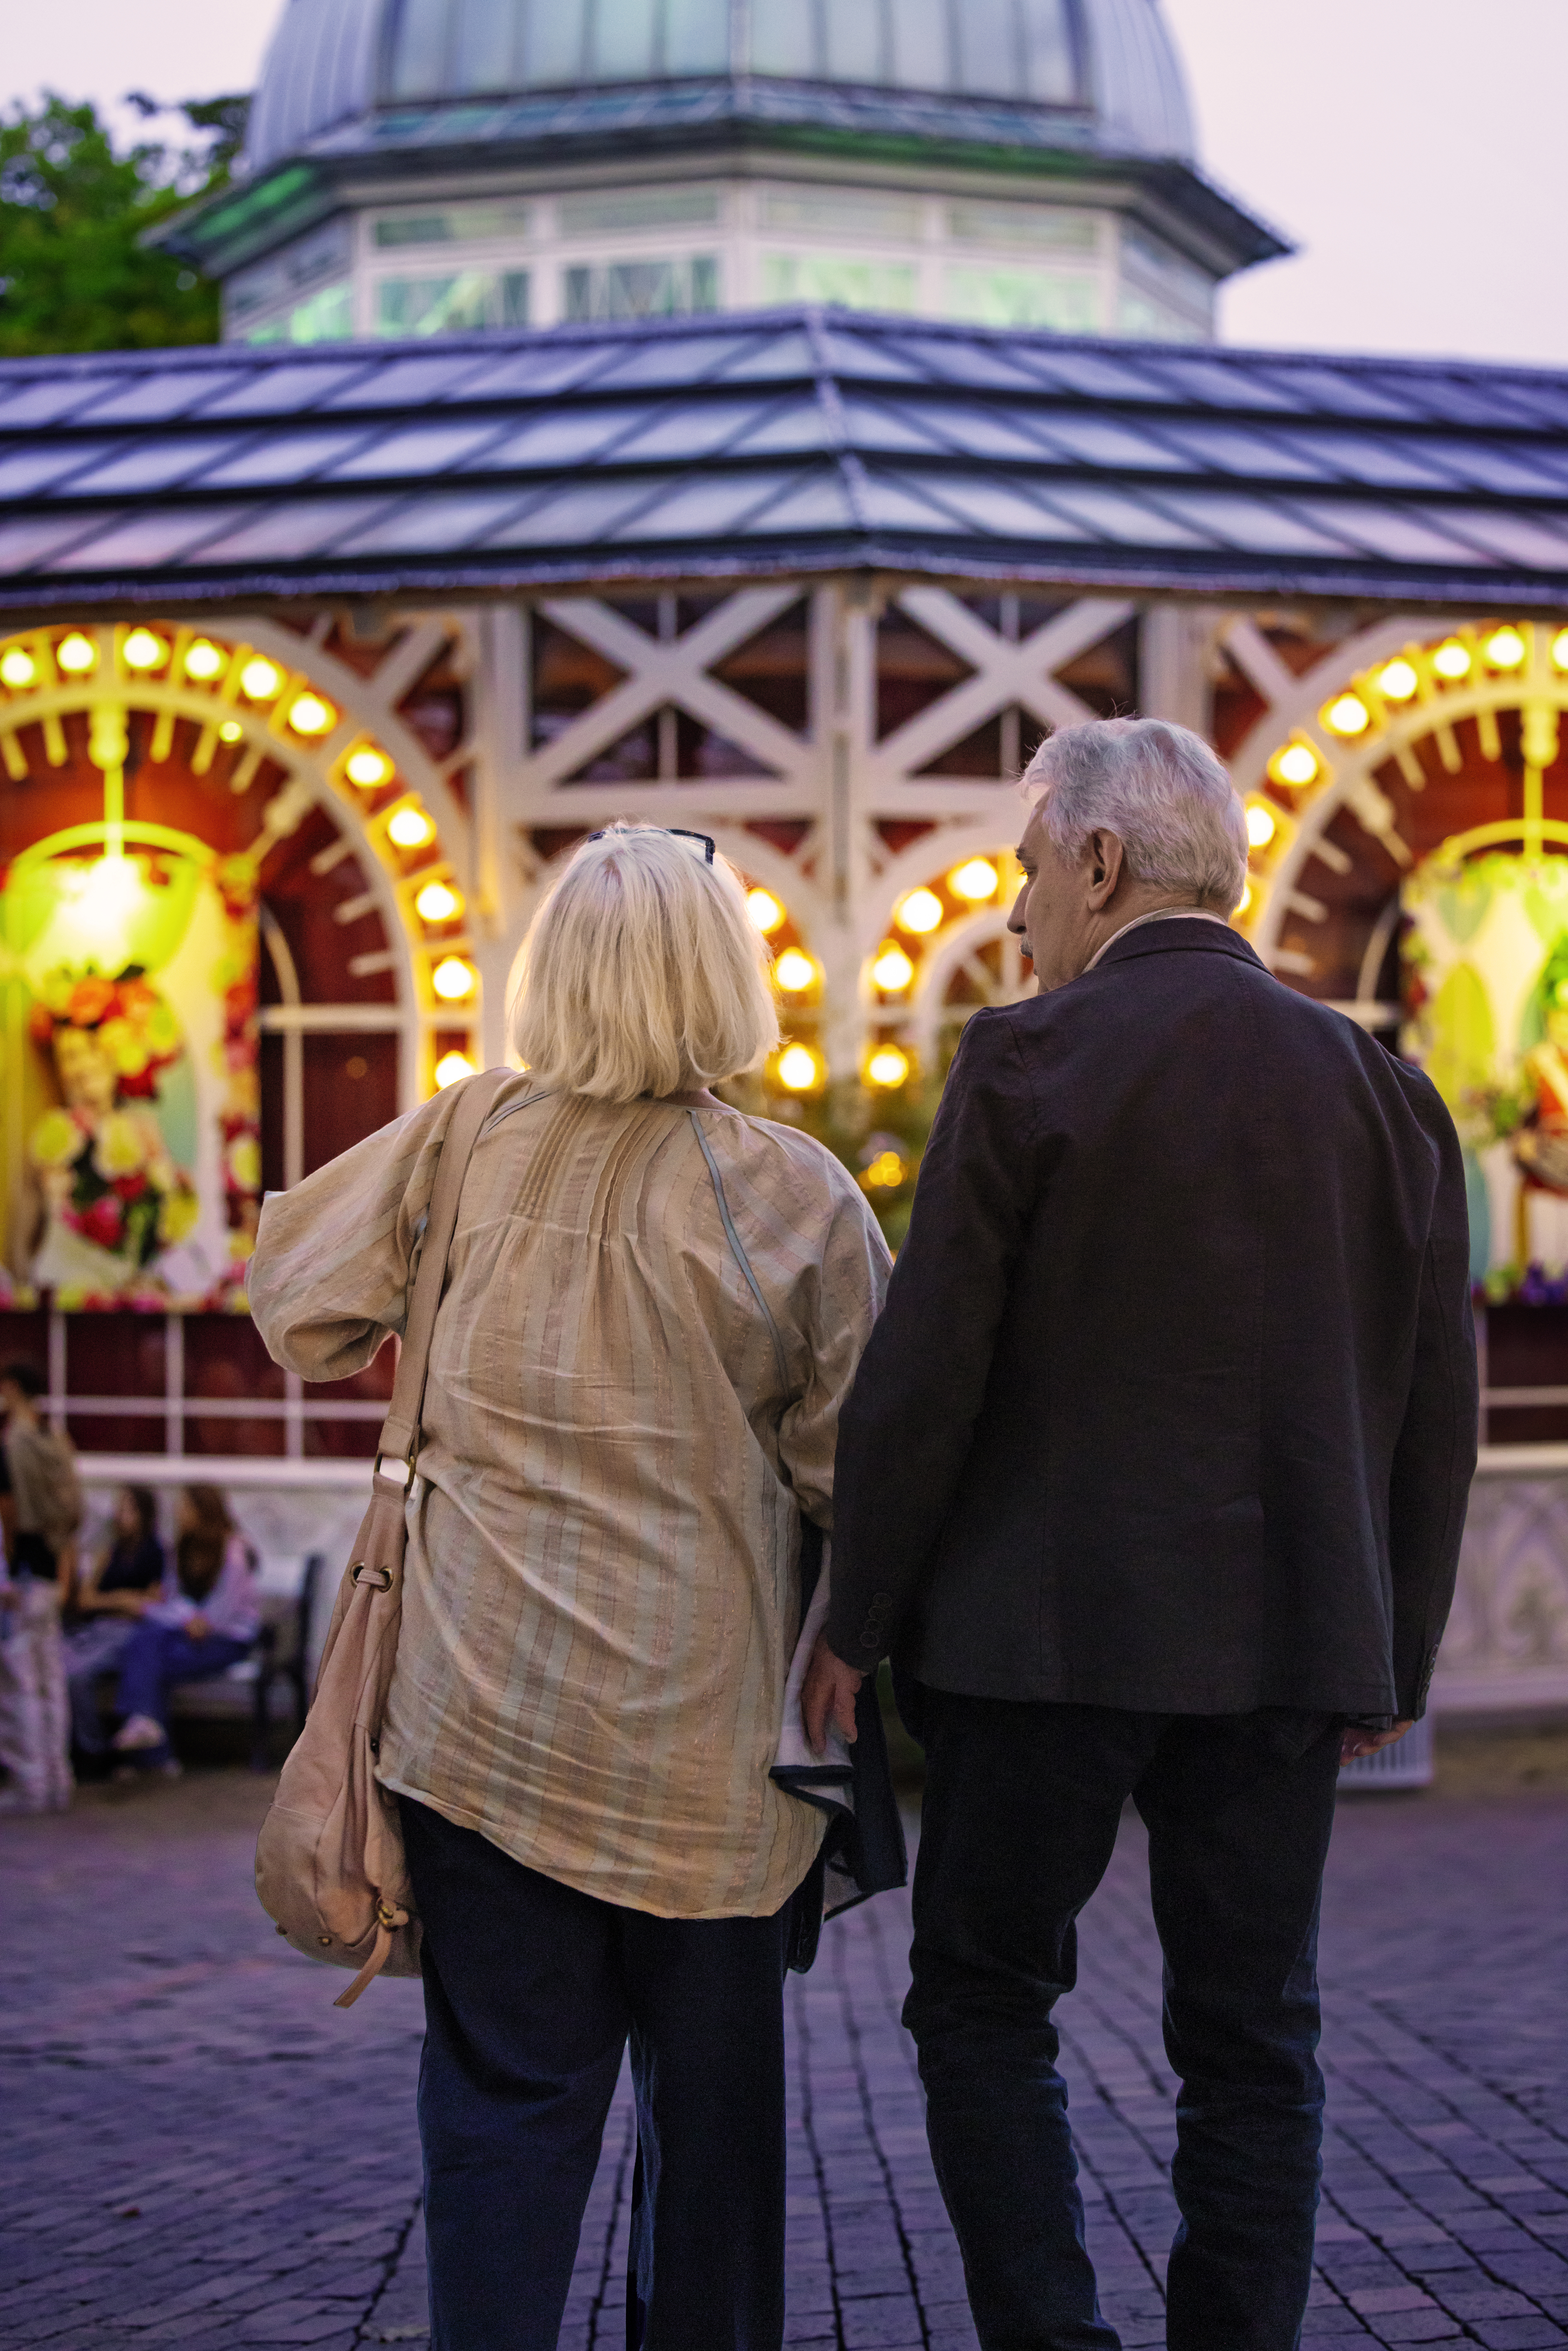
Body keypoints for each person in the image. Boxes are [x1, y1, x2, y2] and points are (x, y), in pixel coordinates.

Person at [804, 718, 1478, 2351]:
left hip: (1038, 1638)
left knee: (982, 1999)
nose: (1024, 913)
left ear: (1101, 862)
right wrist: (1398, 1633)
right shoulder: (1386, 1093)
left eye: (1031, 873)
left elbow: (931, 1366)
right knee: (1256, 2040)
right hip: (1289, 1633)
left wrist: (855, 1609)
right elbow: (1431, 1393)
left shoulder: (1030, 1061)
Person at [248, 822, 892, 2351]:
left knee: (500, 2128)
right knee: (717, 2154)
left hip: (482, 1729)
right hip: (713, 1761)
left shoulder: (461, 1139)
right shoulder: (794, 1198)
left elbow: (297, 1304)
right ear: (724, 979)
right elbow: (860, 1476)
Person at [110, 1486, 259, 1772]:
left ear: (201, 1511)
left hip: (227, 1640)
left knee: (146, 1655)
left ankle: (153, 1750)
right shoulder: (180, 1549)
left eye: (184, 1507)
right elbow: (172, 1597)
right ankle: (150, 1739)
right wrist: (186, 1618)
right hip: (187, 1635)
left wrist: (198, 1621)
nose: (178, 1514)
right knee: (146, 1643)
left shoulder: (234, 1550)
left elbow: (225, 1608)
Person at [0, 1361, 80, 1812]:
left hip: (25, 1569)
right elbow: (75, 1511)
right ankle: (57, 1776)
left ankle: (31, 1782)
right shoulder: (56, 1440)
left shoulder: (16, 1442)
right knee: (51, 1678)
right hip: (52, 1564)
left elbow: (11, 1512)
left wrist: (7, 1567)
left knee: (22, 1682)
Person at [63, 1485, 167, 1765]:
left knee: (77, 1676)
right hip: (96, 1629)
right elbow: (85, 1599)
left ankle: (94, 1752)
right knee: (60, 1664)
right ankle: (77, 1748)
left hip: (129, 1634)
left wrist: (112, 1601)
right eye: (119, 1507)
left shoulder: (155, 1553)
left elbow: (149, 1606)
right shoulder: (109, 1551)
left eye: (129, 1508)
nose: (121, 1515)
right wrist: (121, 1598)